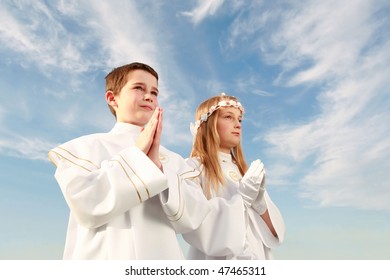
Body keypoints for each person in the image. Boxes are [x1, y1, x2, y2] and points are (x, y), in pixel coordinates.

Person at [48, 62, 214, 259]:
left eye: (154, 92)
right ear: (112, 98)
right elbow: (87, 206)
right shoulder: (84, 149)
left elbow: (193, 218)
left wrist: (159, 169)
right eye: (138, 88)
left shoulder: (174, 161)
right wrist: (138, 157)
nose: (149, 97)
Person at [183, 93, 285, 259]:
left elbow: (274, 235)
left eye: (239, 119)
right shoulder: (192, 168)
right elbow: (195, 221)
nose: (238, 124)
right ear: (208, 124)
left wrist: (260, 205)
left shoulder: (245, 172)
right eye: (228, 117)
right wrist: (242, 199)